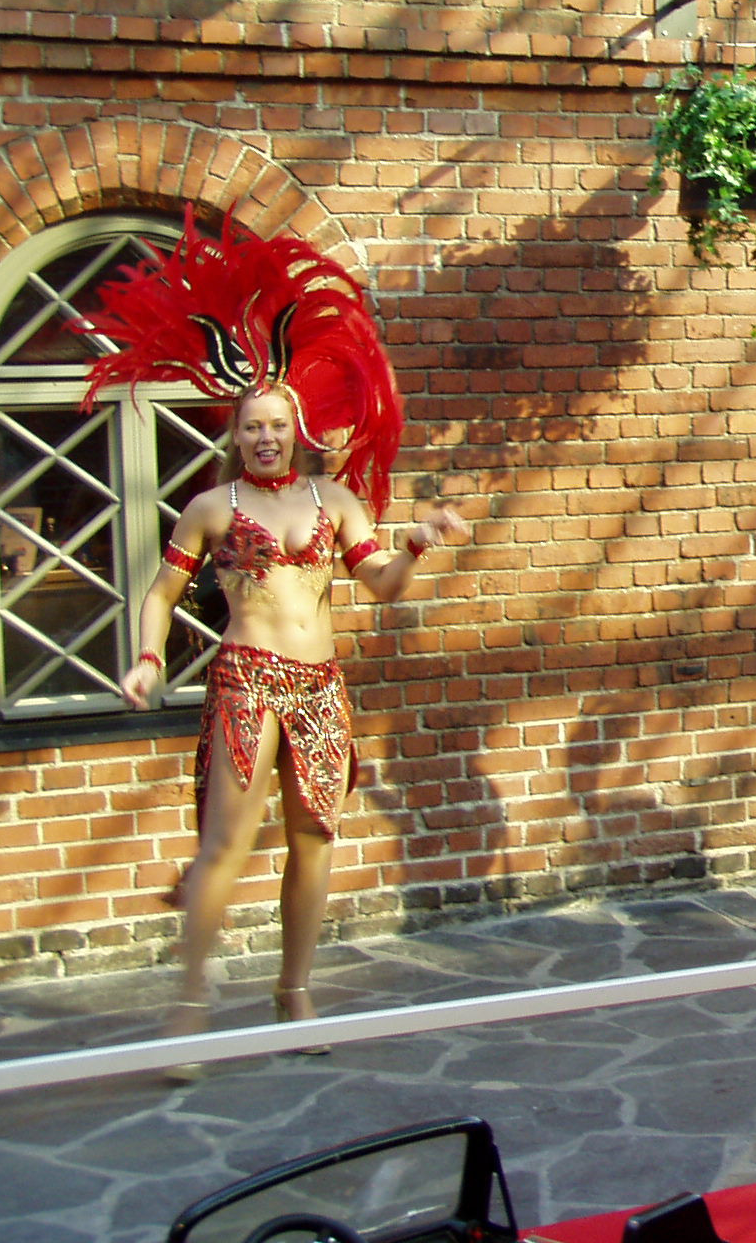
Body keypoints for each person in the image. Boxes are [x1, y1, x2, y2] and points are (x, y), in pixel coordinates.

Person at [80, 210, 469, 1075]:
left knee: (314, 839)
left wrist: (412, 544)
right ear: (236, 432)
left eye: (276, 423)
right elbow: (162, 591)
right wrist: (147, 657)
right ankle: (190, 1002)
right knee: (224, 842)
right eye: (250, 424)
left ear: (296, 428)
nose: (264, 435)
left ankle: (294, 988)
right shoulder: (213, 510)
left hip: (321, 686)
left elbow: (380, 588)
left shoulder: (336, 506)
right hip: (247, 681)